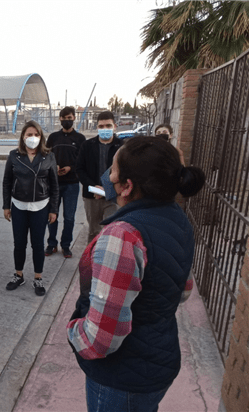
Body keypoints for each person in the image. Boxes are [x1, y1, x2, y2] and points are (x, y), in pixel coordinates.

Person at [67, 136, 205, 412]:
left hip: (121, 378)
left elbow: (101, 339)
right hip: (158, 361)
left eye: (114, 170)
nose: (108, 176)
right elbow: (183, 290)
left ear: (127, 186)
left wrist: (74, 331)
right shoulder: (176, 218)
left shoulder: (122, 235)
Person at [2, 120, 60, 296]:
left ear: (41, 137)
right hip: (18, 205)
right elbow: (7, 182)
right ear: (23, 136)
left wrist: (53, 209)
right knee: (19, 243)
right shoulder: (14, 155)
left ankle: (38, 278)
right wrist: (6, 206)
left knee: (37, 244)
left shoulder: (48, 156)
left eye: (36, 134)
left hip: (41, 206)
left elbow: (54, 185)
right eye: (29, 134)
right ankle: (18, 275)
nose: (32, 137)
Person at [45, 106, 86, 258]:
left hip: (72, 184)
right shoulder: (53, 137)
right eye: (64, 118)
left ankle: (66, 245)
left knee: (69, 217)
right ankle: (51, 244)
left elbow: (83, 162)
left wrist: (71, 168)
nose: (67, 121)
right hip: (54, 184)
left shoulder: (80, 139)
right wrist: (53, 166)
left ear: (74, 118)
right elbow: (46, 156)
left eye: (70, 118)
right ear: (60, 119)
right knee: (52, 215)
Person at [76, 111, 123, 244]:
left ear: (114, 126)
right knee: (94, 231)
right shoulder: (87, 145)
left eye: (108, 126)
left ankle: (107, 261)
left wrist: (109, 189)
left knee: (111, 230)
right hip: (92, 197)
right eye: (101, 126)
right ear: (97, 127)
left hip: (113, 197)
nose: (104, 129)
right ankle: (92, 260)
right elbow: (79, 169)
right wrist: (93, 187)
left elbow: (126, 171)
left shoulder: (122, 146)